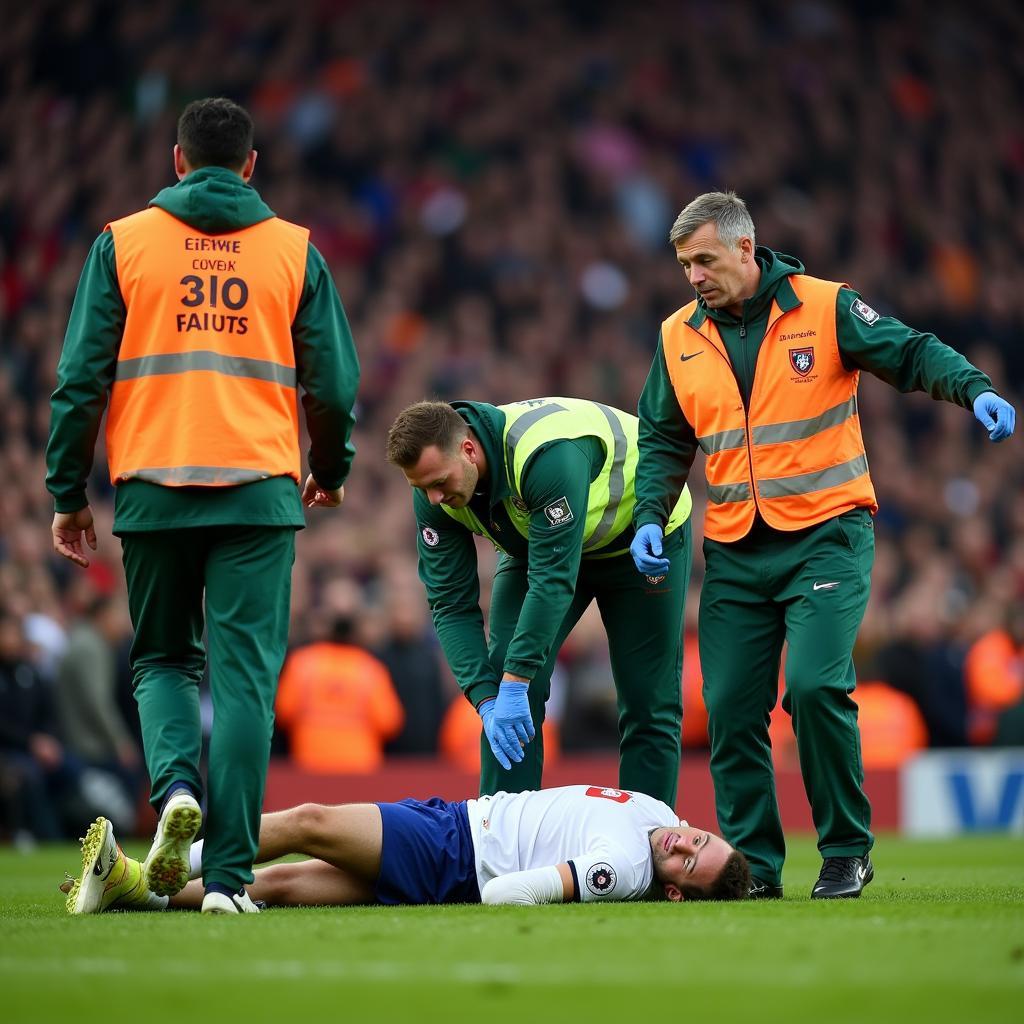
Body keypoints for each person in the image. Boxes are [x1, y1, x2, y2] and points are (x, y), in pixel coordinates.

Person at [630, 191, 1016, 900]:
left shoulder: (824, 306)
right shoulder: (676, 336)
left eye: (705, 260)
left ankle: (845, 850)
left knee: (812, 686)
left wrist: (972, 389)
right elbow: (661, 439)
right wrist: (650, 513)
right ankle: (754, 869)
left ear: (747, 250)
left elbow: (910, 352)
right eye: (685, 264)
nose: (694, 276)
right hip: (737, 550)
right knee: (734, 710)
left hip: (828, 536)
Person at [45, 98, 359, 915]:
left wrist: (67, 494)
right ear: (251, 166)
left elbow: (80, 379)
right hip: (258, 492)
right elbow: (333, 383)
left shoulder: (122, 241)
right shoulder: (294, 250)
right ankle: (227, 882)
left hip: (153, 486)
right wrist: (329, 466)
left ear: (178, 162)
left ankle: (176, 785)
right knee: (248, 682)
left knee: (161, 661)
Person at [385, 398, 692, 805]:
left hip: (639, 540)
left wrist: (515, 682)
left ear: (469, 450)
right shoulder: (433, 490)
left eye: (439, 482)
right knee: (503, 677)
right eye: (421, 487)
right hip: (541, 546)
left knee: (646, 700)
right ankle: (502, 847)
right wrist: (487, 698)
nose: (434, 498)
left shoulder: (546, 453)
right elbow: (450, 603)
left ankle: (648, 846)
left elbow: (552, 581)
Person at [62, 783, 750, 914]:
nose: (687, 843)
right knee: (279, 887)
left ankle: (171, 859)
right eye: (704, 840)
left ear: (674, 891)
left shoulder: (624, 867)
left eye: (689, 863)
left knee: (308, 819)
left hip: (455, 843)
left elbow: (510, 892)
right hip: (454, 842)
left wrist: (468, 873)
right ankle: (125, 885)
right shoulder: (658, 813)